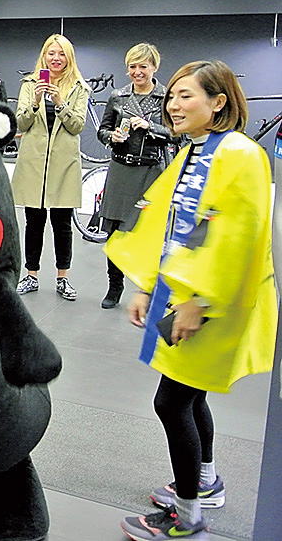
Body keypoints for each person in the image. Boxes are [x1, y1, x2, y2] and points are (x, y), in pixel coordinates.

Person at [106, 60, 277, 540]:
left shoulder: (240, 154)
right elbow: (170, 222)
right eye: (172, 96)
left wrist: (199, 301)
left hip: (212, 302)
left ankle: (188, 517)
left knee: (171, 401)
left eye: (186, 96)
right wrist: (148, 285)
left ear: (218, 101)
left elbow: (240, 236)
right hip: (188, 296)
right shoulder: (196, 150)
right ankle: (206, 481)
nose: (173, 105)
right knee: (190, 393)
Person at [96, 43, 175, 310]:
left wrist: (150, 126)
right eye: (132, 66)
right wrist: (112, 136)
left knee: (150, 233)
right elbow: (103, 130)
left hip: (151, 171)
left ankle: (148, 288)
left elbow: (178, 133)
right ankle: (114, 286)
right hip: (120, 170)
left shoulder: (167, 97)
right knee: (115, 233)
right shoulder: (117, 97)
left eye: (143, 66)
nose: (137, 72)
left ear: (155, 67)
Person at [11, 34, 87, 300]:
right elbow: (21, 123)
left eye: (61, 54)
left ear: (69, 58)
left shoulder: (79, 87)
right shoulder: (29, 84)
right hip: (34, 163)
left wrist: (59, 103)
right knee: (33, 222)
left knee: (62, 224)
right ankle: (31, 275)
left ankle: (63, 278)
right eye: (51, 53)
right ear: (43, 56)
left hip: (63, 164)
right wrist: (35, 102)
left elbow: (77, 126)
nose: (56, 58)